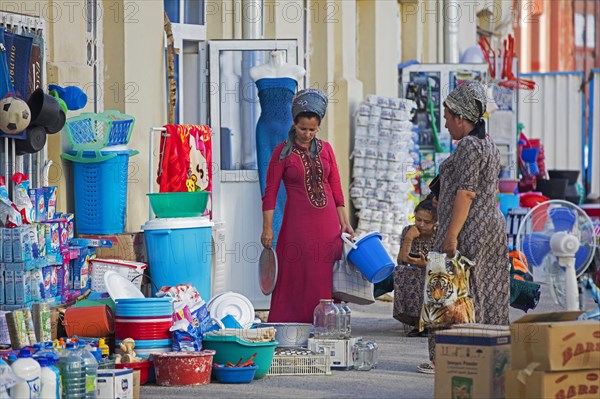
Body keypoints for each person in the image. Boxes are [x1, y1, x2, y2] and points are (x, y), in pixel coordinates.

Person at [417, 80, 509, 374]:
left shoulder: (470, 145)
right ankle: (490, 351)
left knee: (453, 288)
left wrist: (452, 234)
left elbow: (466, 192)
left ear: (460, 116)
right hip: (490, 225)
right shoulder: (488, 143)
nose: (445, 124)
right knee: (485, 288)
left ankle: (452, 355)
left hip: (470, 227)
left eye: (447, 117)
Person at [261, 88, 354, 323]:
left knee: (323, 277)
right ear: (294, 123)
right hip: (297, 226)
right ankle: (291, 328)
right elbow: (270, 193)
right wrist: (267, 228)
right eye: (303, 128)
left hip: (328, 227)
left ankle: (324, 327)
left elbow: (336, 188)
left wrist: (345, 223)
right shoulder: (281, 153)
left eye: (313, 129)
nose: (308, 134)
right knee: (297, 276)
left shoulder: (327, 150)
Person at [251, 50, 306, 247]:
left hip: (287, 132)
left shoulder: (297, 70)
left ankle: (293, 234)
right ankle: (273, 238)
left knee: (291, 179)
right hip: (265, 131)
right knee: (269, 182)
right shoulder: (255, 71)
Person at [393, 199, 437, 337]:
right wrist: (409, 239)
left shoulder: (440, 234)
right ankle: (416, 322)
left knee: (425, 274)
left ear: (435, 222)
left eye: (427, 222)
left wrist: (426, 265)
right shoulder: (409, 231)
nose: (421, 225)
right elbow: (401, 260)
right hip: (415, 272)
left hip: (436, 271)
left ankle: (430, 323)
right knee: (400, 271)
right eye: (418, 220)